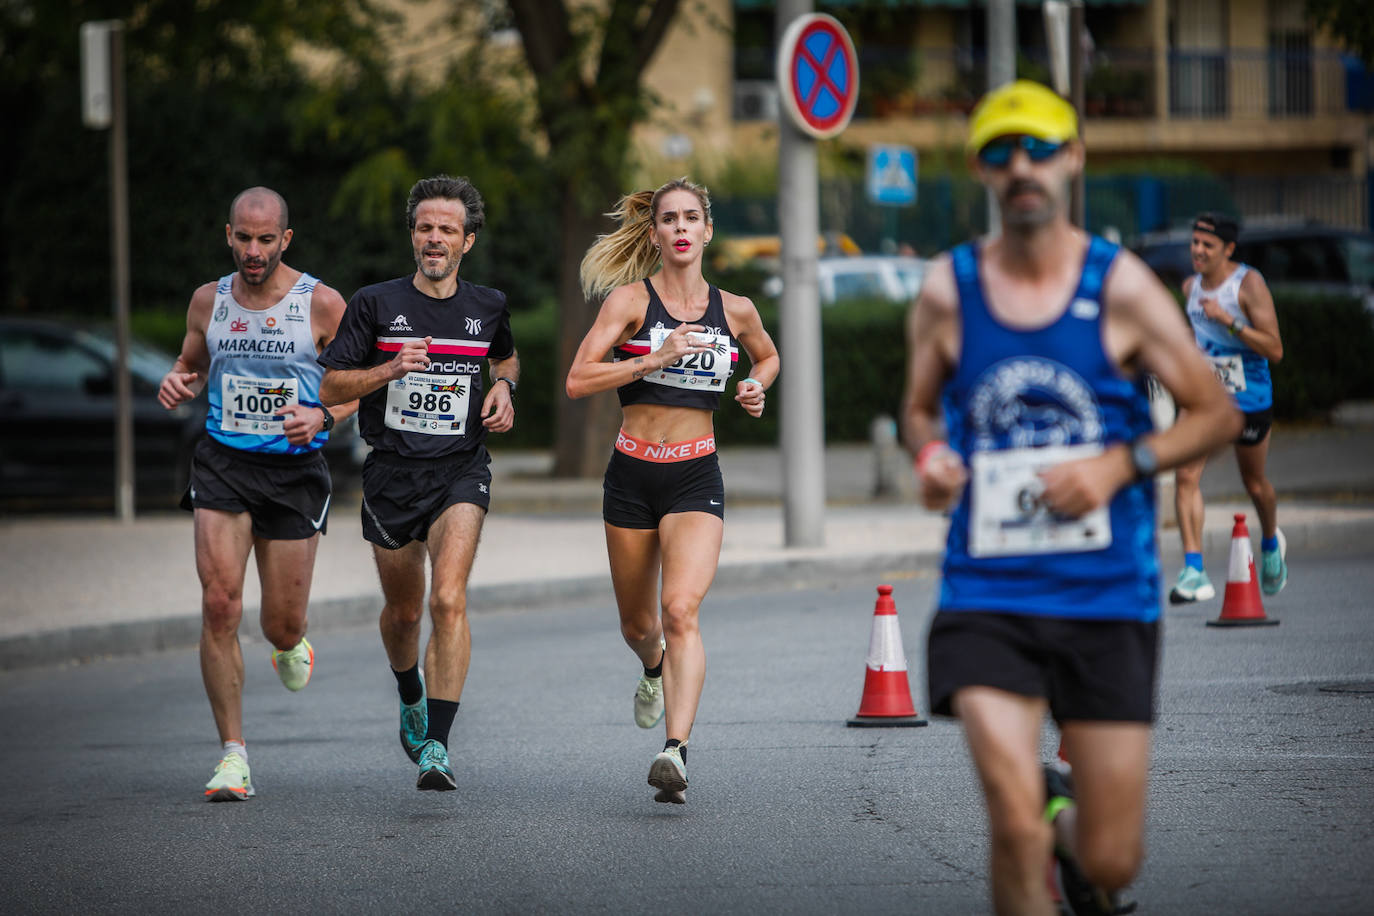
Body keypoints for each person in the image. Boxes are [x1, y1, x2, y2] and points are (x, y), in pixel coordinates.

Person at [900, 81, 1241, 914]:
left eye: (1041, 147)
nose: (1022, 166)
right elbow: (916, 409)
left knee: (1113, 861)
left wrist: (1119, 466)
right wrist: (934, 455)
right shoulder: (949, 292)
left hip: (1105, 597)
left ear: (1074, 158)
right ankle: (1036, 817)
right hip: (987, 592)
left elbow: (1216, 412)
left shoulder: (1120, 286)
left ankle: (1066, 817)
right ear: (981, 169)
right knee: (1009, 829)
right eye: (1001, 151)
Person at [565, 177, 779, 804]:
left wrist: (755, 386)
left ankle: (675, 751)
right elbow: (578, 379)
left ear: (707, 231)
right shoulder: (631, 303)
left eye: (692, 218)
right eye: (669, 219)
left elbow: (766, 356)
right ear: (655, 233)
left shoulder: (734, 309)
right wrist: (649, 361)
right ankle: (651, 667)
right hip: (632, 474)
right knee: (639, 625)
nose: (681, 228)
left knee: (680, 609)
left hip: (695, 474)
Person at [317, 175, 518, 793]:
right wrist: (389, 368)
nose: (435, 239)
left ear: (468, 240)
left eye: (447, 230)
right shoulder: (375, 304)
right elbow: (331, 388)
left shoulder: (488, 306)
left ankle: (438, 744)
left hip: (460, 468)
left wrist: (505, 385)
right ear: (413, 236)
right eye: (425, 228)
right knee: (405, 612)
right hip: (391, 474)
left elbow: (504, 356)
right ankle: (410, 691)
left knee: (447, 600)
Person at [158, 186, 356, 802]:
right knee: (219, 604)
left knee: (279, 623)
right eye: (243, 238)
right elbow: (190, 363)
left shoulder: (321, 304)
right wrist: (178, 381)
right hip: (222, 465)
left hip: (294, 474)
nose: (253, 250)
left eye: (265, 240)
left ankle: (292, 642)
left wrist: (324, 418)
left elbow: (360, 387)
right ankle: (233, 756)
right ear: (228, 235)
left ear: (285, 240)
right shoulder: (207, 301)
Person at [1170, 213, 1287, 603]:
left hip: (1249, 397)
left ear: (1228, 249)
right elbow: (1197, 337)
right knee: (1185, 476)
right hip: (1205, 399)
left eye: (1208, 245)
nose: (1198, 251)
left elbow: (1275, 348)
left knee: (1254, 484)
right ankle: (1193, 569)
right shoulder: (1190, 287)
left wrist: (1229, 322)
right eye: (1195, 243)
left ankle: (1270, 542)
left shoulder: (1248, 285)